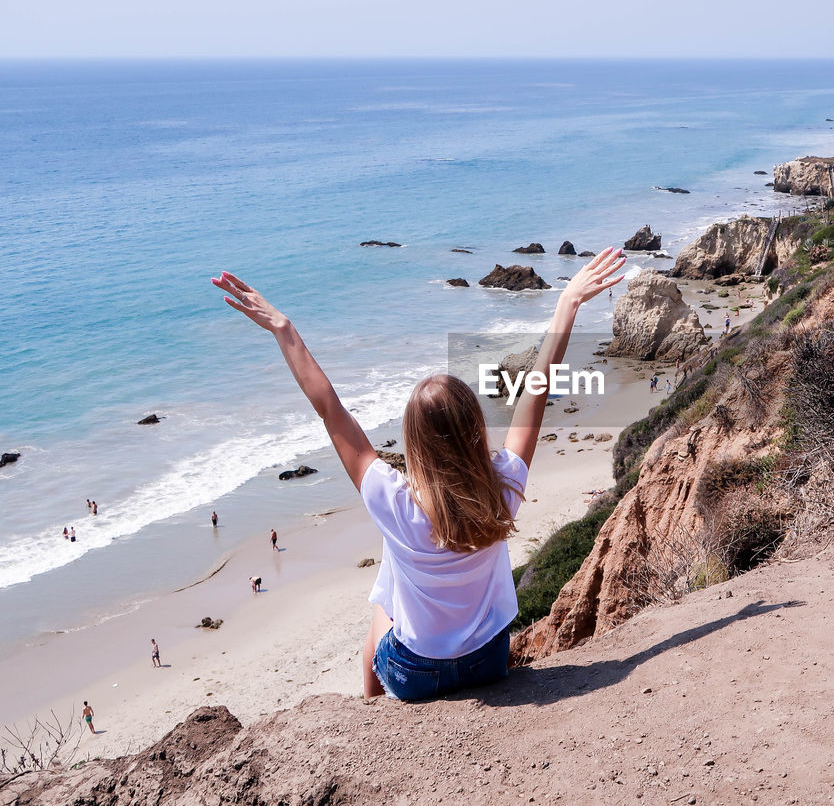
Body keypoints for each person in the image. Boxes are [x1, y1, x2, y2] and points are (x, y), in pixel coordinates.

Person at [212, 251, 623, 702]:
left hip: (414, 675)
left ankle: (371, 706)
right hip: (488, 662)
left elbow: (330, 410)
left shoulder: (393, 500)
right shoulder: (503, 487)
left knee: (382, 605)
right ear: (474, 430)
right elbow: (536, 392)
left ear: (414, 442)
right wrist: (567, 304)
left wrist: (284, 330)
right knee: (390, 581)